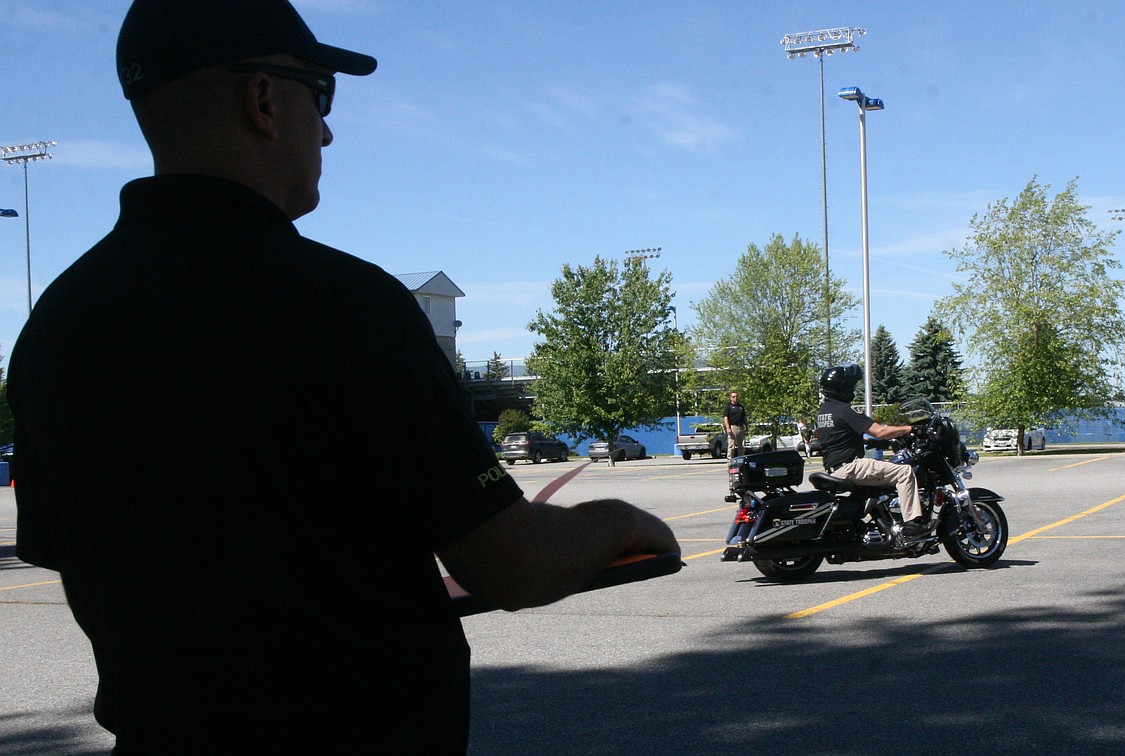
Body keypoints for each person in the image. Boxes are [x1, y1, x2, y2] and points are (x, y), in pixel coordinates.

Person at [8, 1, 678, 752]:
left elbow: (85, 567)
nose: (326, 129)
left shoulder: (56, 329)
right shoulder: (343, 306)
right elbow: (510, 566)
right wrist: (616, 521)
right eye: (319, 93)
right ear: (263, 100)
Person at [815, 364, 934, 540]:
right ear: (842, 387)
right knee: (904, 471)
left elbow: (837, 436)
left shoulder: (824, 412)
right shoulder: (845, 411)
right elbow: (880, 431)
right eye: (851, 386)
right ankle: (912, 524)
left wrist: (867, 441)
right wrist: (911, 428)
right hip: (852, 467)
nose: (853, 390)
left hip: (836, 468)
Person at [723, 390, 748, 460]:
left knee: (742, 446)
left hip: (741, 427)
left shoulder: (741, 407)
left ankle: (741, 461)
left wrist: (747, 427)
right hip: (733, 427)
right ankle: (730, 462)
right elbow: (725, 417)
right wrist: (728, 428)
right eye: (733, 397)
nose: (735, 398)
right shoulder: (729, 407)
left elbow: (744, 417)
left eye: (736, 396)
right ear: (730, 398)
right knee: (731, 446)